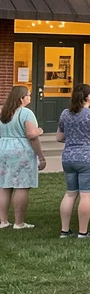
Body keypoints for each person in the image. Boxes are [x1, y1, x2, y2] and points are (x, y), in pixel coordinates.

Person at [57, 84, 90, 238]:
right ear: (87, 97)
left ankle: (64, 230)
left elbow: (59, 138)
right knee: (86, 195)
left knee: (70, 193)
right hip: (89, 158)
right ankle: (83, 232)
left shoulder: (65, 114)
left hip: (69, 157)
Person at [0, 85, 45, 230]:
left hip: (3, 148)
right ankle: (19, 222)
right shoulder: (26, 113)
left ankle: (4, 221)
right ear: (21, 98)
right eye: (28, 95)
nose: (30, 98)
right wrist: (41, 156)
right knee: (21, 186)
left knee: (4, 185)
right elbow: (31, 135)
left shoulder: (3, 111)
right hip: (21, 150)